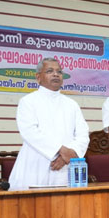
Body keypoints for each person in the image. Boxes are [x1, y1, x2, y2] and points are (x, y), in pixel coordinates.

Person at [8, 58, 90, 189]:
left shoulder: (71, 104)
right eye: (50, 71)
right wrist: (61, 150)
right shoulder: (28, 101)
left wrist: (68, 156)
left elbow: (83, 135)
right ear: (38, 77)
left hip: (65, 168)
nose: (56, 74)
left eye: (59, 71)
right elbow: (30, 132)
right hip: (36, 167)